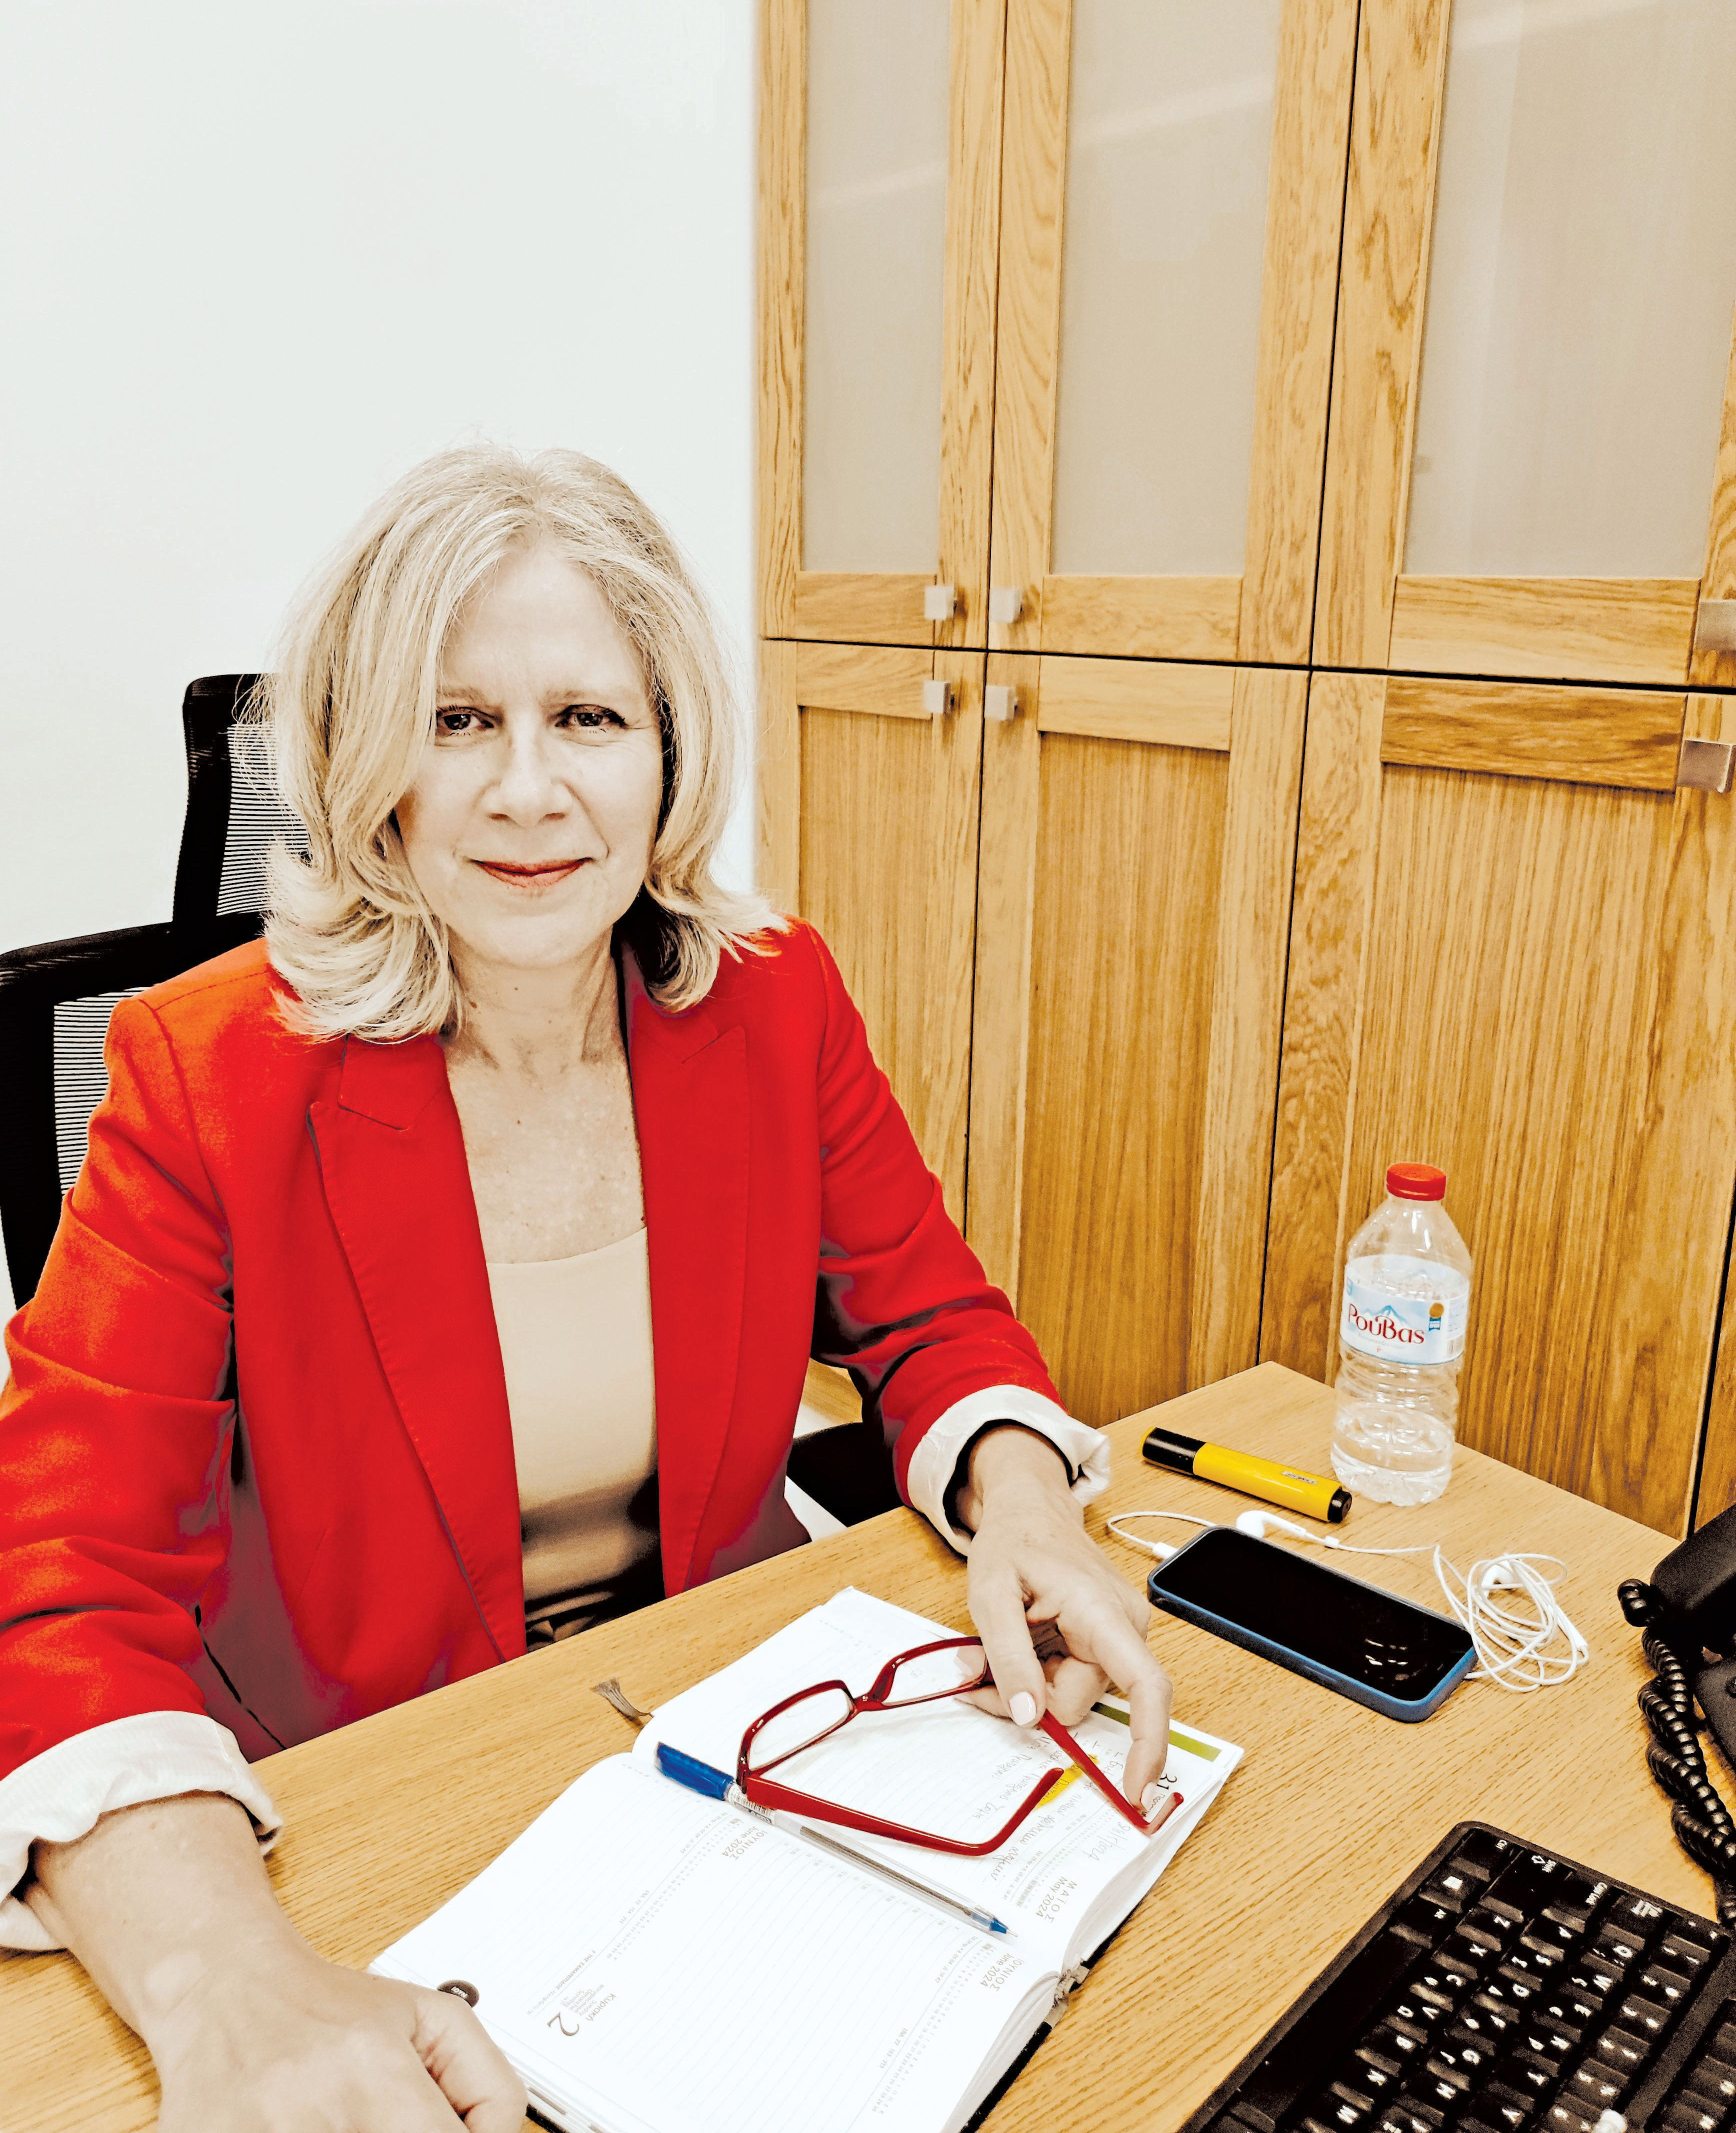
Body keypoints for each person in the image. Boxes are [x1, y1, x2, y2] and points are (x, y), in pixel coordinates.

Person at [0, 445, 1174, 2129]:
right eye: (457, 720)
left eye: (589, 718)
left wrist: (1029, 1510)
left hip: (731, 1735)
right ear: (365, 760)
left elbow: (925, 1314)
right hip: (369, 1786)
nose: (528, 790)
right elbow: (59, 1576)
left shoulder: (773, 1002)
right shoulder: (208, 1071)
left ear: (668, 753)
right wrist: (223, 1986)